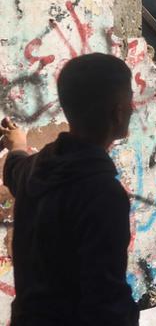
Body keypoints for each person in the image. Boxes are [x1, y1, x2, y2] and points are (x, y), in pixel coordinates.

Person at [1, 53, 139, 325]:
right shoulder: (104, 196)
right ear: (118, 112)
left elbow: (14, 168)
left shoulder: (37, 169)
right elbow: (106, 304)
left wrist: (17, 144)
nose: (134, 107)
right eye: (130, 100)